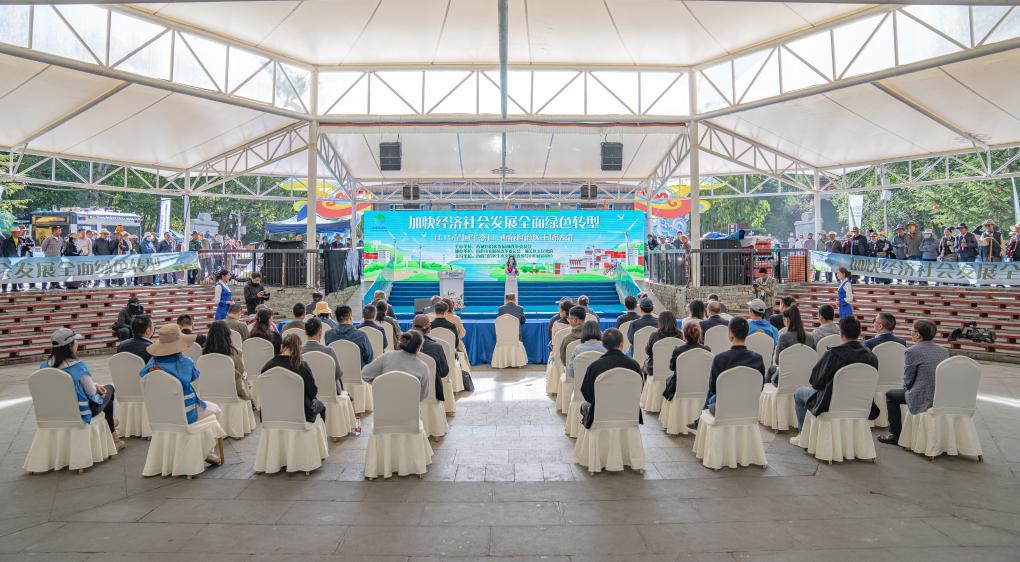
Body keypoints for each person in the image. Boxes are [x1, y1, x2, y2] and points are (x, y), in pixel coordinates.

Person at [141, 324, 222, 464]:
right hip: (185, 413)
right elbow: (195, 377)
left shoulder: (151, 364)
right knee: (216, 410)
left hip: (159, 413)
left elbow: (143, 377)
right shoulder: (186, 362)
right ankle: (207, 452)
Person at [791, 315, 878, 438]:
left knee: (799, 392)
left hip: (831, 403)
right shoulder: (871, 356)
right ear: (859, 333)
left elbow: (815, 382)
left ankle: (803, 436)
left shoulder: (833, 354)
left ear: (841, 333)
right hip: (861, 404)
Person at [43, 328, 125, 449]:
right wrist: (96, 388)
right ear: (70, 346)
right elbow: (91, 393)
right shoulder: (78, 367)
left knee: (102, 391)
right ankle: (113, 437)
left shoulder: (44, 366)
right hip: (78, 412)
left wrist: (94, 384)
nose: (77, 343)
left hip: (55, 411)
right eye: (75, 341)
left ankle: (111, 426)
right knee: (109, 390)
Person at [877, 319, 949, 445]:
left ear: (918, 335)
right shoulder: (944, 351)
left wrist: (907, 389)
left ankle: (895, 434)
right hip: (941, 396)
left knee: (890, 395)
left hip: (923, 396)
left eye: (912, 330)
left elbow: (908, 380)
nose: (911, 333)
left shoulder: (912, 351)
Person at [688, 317, 765, 430]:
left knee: (712, 394)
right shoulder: (758, 359)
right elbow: (760, 387)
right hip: (749, 407)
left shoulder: (720, 359)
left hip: (724, 409)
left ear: (730, 334)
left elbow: (714, 389)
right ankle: (698, 421)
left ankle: (699, 422)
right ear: (746, 334)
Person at [579, 328, 642, 429]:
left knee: (584, 406)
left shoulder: (594, 367)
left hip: (601, 412)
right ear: (622, 344)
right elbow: (639, 389)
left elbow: (586, 393)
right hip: (628, 411)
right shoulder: (634, 365)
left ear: (603, 345)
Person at [261, 333, 325, 423]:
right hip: (300, 413)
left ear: (281, 347)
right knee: (321, 406)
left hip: (273, 412)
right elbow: (312, 392)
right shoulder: (301, 366)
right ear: (299, 349)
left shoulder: (267, 366)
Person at [362, 331, 430, 402]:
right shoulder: (423, 368)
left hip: (383, 405)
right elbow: (422, 397)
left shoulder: (387, 357)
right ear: (418, 349)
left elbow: (364, 374)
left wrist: (380, 385)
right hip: (409, 407)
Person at [203, 320, 251, 401]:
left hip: (209, 392)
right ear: (228, 334)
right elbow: (241, 372)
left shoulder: (203, 354)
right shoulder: (236, 353)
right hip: (231, 393)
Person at [663, 322, 710, 401]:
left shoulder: (678, 350)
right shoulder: (707, 350)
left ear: (684, 335)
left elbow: (672, 368)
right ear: (699, 334)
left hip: (682, 386)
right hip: (702, 386)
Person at [767, 306, 814, 384]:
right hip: (806, 378)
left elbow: (778, 361)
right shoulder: (810, 338)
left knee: (770, 370)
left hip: (786, 379)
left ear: (787, 320)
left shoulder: (784, 337)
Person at [412, 315, 448, 403]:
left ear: (412, 326)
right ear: (429, 328)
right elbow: (444, 372)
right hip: (432, 390)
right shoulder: (436, 347)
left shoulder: (401, 345)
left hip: (407, 389)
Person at [302, 317, 343, 395]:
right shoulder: (329, 351)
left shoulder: (299, 352)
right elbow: (338, 374)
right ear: (320, 333)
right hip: (330, 392)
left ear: (305, 333)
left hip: (308, 393)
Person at [644, 310, 681, 379]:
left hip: (656, 370)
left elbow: (648, 351)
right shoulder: (681, 335)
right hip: (676, 369)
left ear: (660, 322)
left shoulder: (654, 335)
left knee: (645, 364)